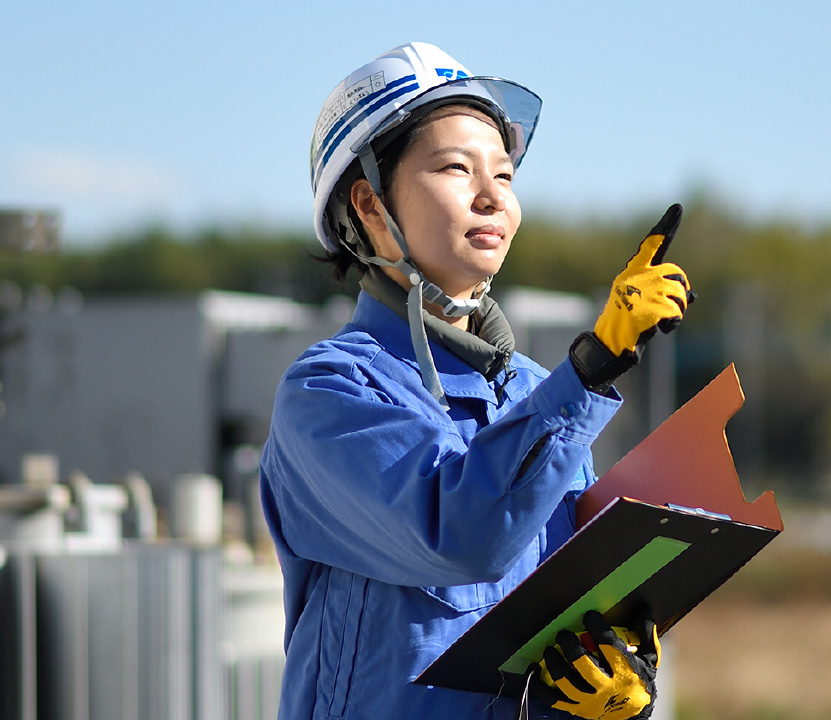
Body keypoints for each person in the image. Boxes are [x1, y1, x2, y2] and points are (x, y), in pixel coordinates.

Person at [259, 41, 692, 720]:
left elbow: (557, 620)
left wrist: (616, 671)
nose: (492, 195)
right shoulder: (330, 394)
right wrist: (591, 367)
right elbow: (463, 534)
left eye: (506, 175)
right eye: (457, 168)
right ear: (370, 206)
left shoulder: (535, 391)